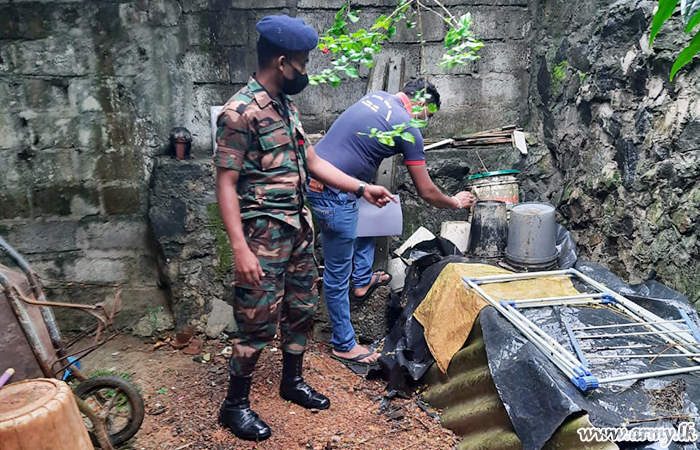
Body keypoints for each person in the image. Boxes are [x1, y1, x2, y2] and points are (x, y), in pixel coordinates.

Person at [213, 14, 395, 442]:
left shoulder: (284, 106)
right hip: (260, 238)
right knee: (255, 321)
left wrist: (362, 187)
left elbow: (312, 161)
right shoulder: (238, 113)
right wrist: (239, 248)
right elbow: (225, 183)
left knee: (301, 310)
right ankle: (234, 405)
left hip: (297, 231)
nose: (306, 71)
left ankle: (291, 382)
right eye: (302, 63)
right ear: (281, 61)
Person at [307, 79, 475, 366]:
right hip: (331, 193)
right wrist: (456, 202)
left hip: (331, 184)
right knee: (336, 274)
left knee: (368, 212)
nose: (426, 122)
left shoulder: (377, 96)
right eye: (429, 115)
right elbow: (427, 192)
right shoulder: (408, 130)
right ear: (421, 103)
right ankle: (343, 344)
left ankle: (361, 280)